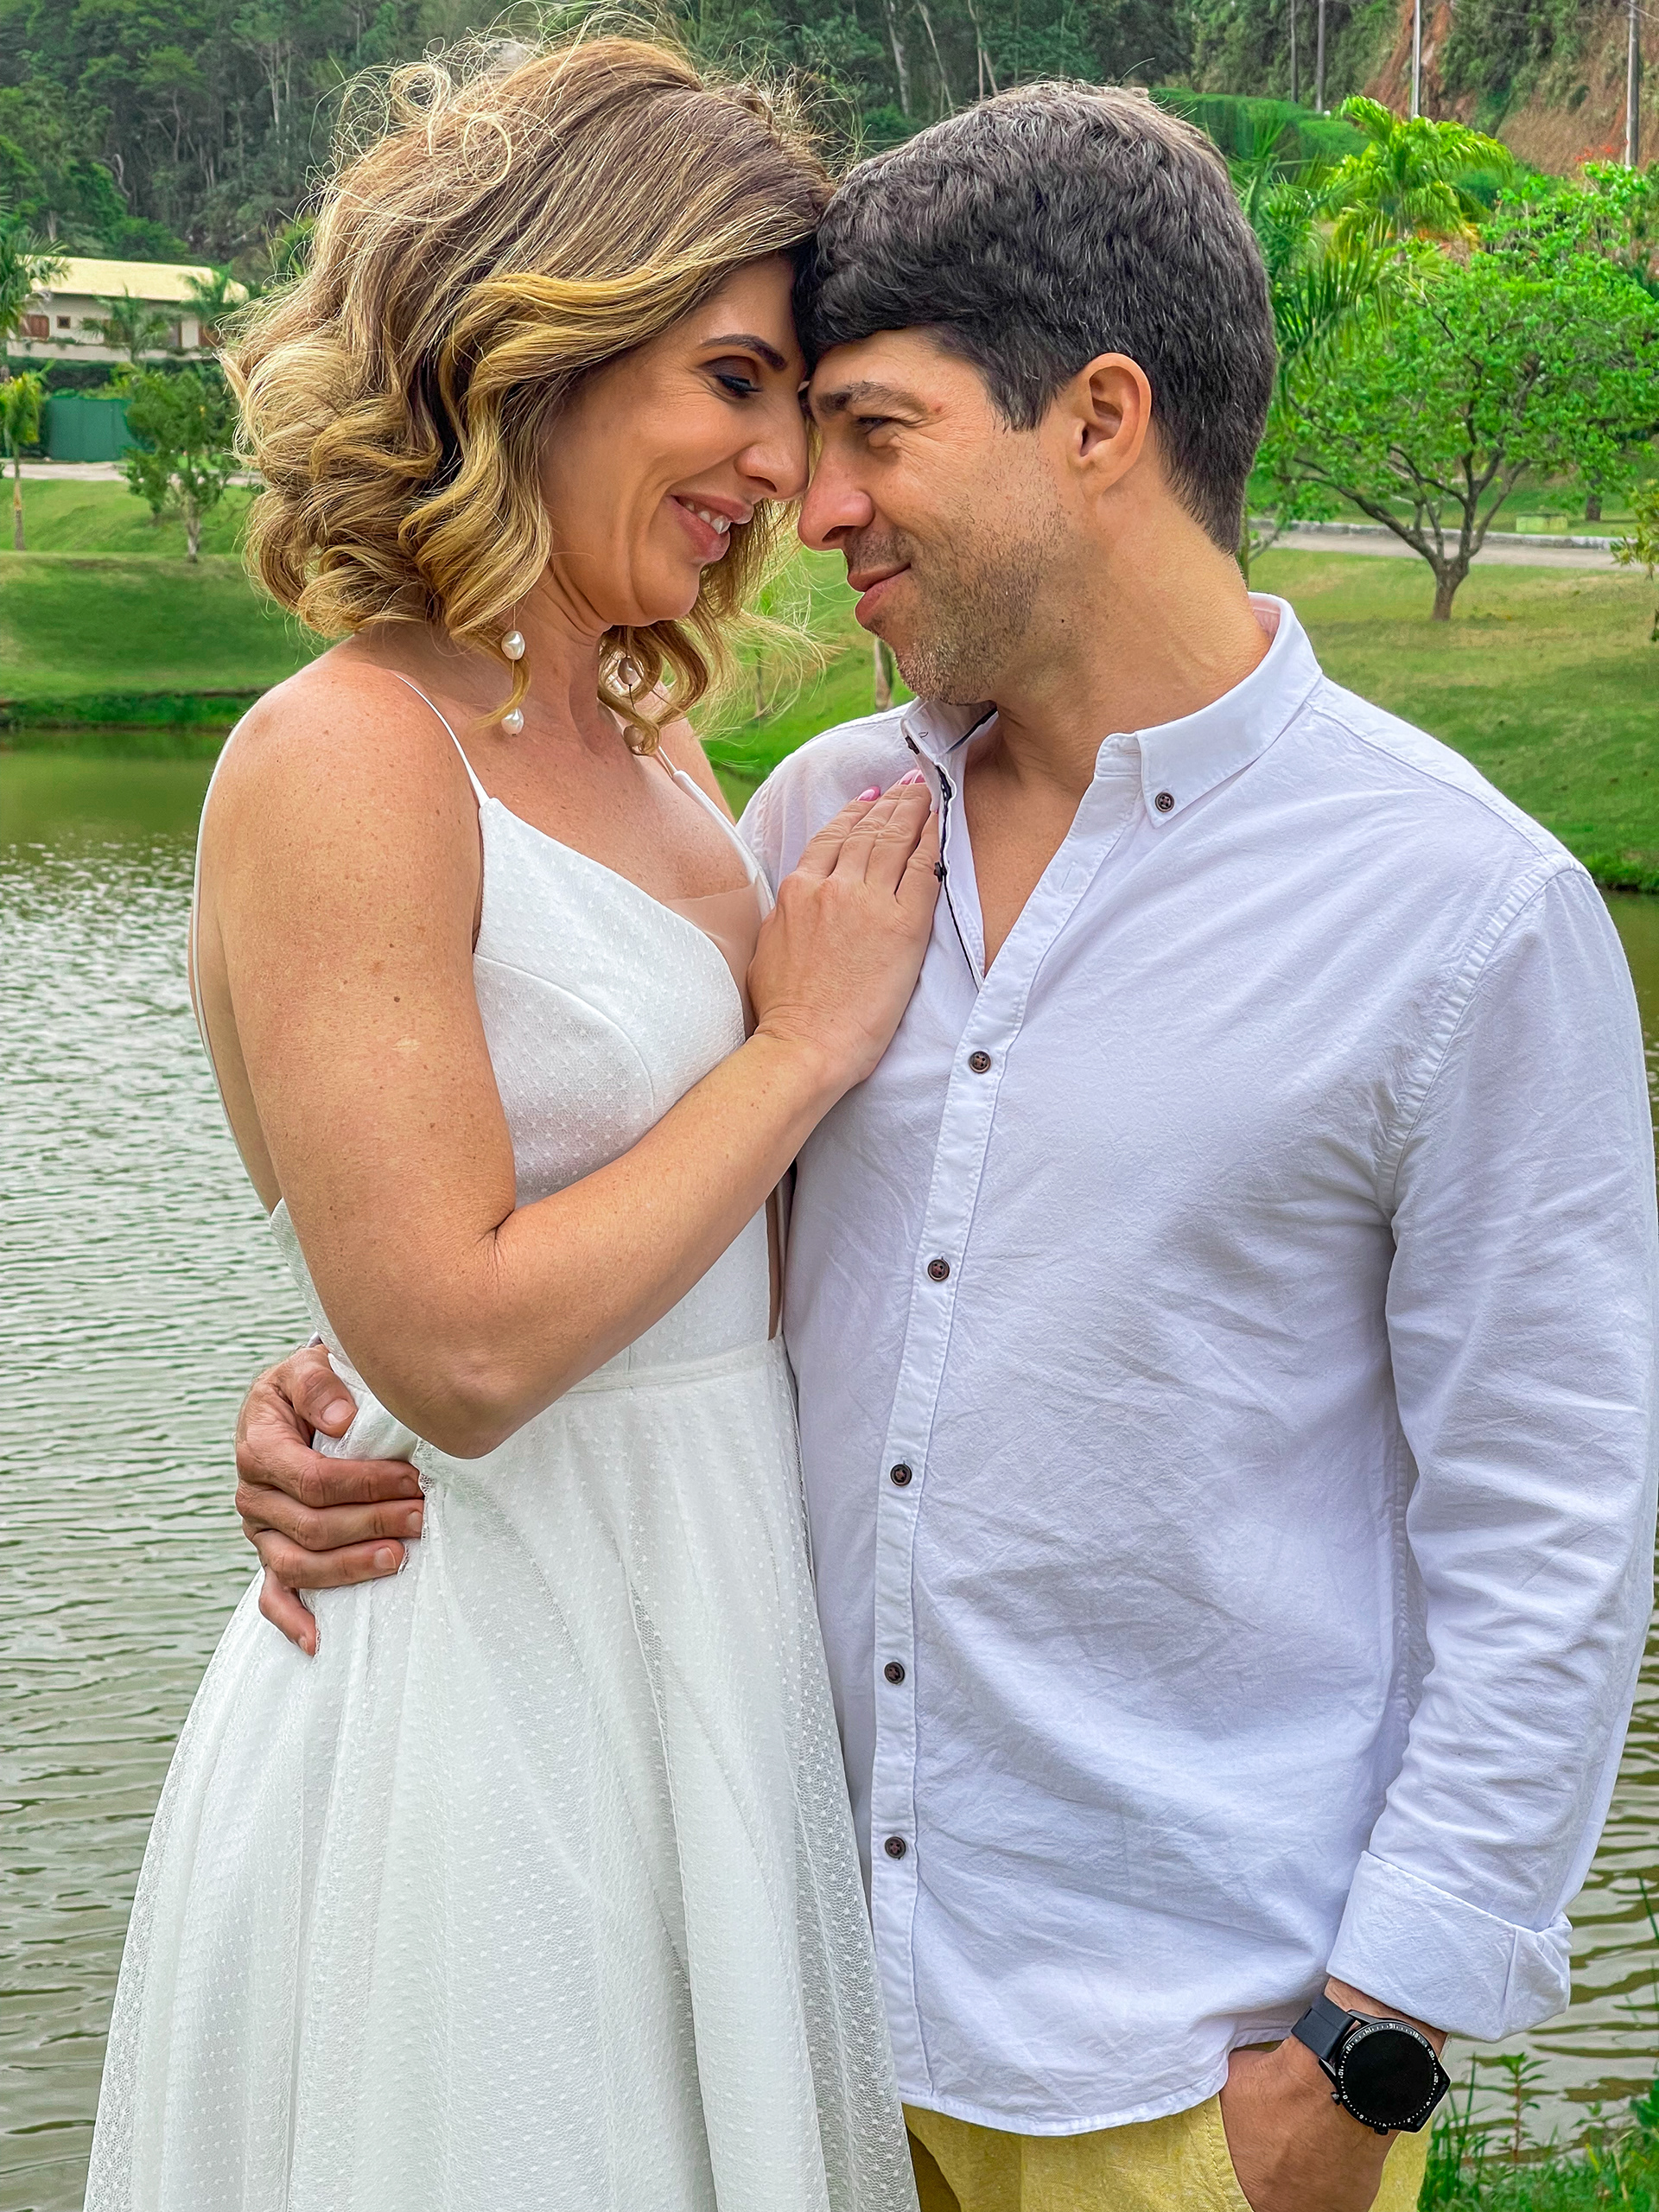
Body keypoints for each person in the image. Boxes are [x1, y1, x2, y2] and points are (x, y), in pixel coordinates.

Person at [230, 83, 1659, 2212]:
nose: (813, 504)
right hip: (769, 1999)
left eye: (870, 430)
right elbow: (619, 1259)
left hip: (1179, 2067)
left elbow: (1551, 1522)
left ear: (1099, 421)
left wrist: (1375, 2043)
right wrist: (338, 1396)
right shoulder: (819, 828)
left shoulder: (1467, 911)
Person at [85, 35, 937, 2212]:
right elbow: (455, 1347)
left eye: (804, 402)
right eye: (734, 380)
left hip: (704, 1642)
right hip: (487, 1694)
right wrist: (797, 1049)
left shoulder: (661, 765)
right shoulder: (346, 750)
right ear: (539, 335)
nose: (782, 467)